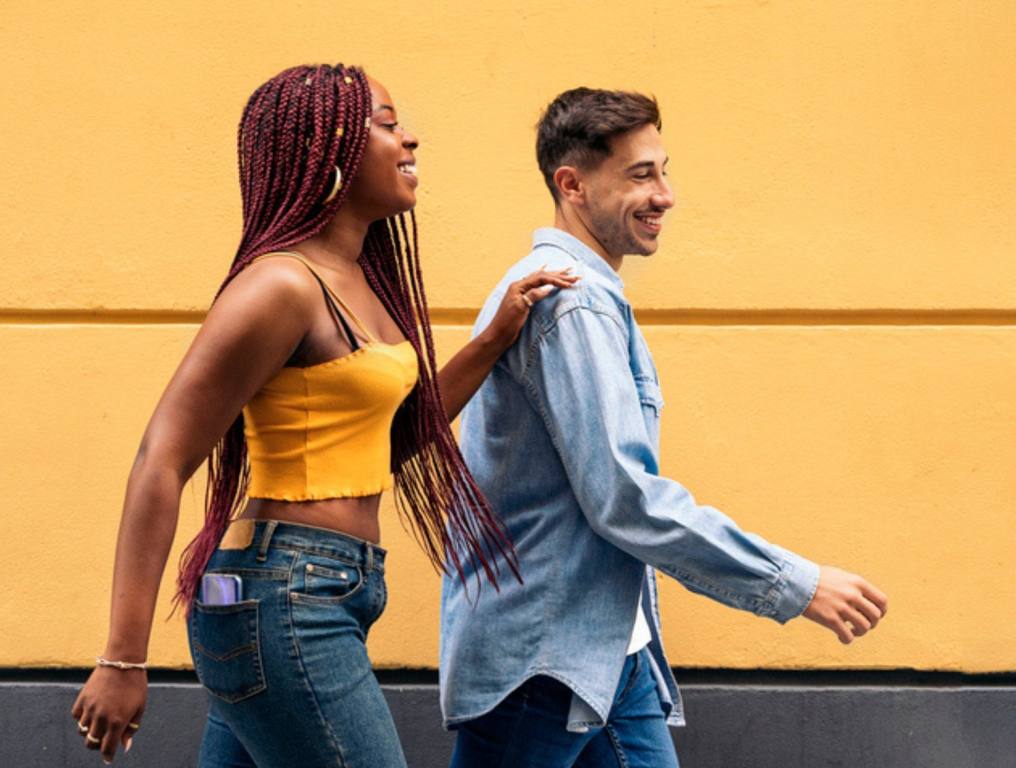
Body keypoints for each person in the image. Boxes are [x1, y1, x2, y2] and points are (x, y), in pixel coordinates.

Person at [70, 63, 578, 767]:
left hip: (312, 590)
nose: (411, 140)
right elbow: (161, 457)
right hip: (281, 595)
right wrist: (123, 657)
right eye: (388, 123)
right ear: (329, 146)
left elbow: (389, 442)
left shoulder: (361, 283)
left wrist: (493, 339)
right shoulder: (279, 286)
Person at [440, 87, 890, 768]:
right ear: (573, 185)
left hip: (606, 650)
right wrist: (794, 584)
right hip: (545, 662)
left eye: (664, 170)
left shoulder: (577, 293)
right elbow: (625, 496)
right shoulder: (571, 303)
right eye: (641, 174)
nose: (666, 194)